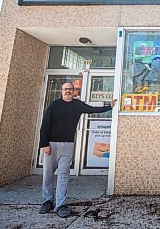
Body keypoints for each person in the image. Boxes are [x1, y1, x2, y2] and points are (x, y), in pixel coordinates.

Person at [38, 82, 117, 218]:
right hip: (51, 145)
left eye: (70, 89)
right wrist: (44, 144)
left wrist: (109, 106)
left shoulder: (77, 105)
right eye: (65, 89)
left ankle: (60, 204)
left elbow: (93, 109)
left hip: (67, 145)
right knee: (47, 175)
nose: (68, 91)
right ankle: (48, 200)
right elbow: (45, 125)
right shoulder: (54, 105)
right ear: (61, 91)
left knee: (63, 175)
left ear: (74, 91)